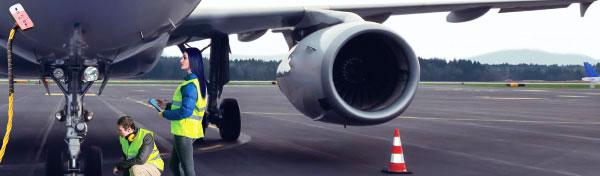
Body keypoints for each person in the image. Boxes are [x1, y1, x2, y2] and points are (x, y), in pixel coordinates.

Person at [157, 47, 207, 176]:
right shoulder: (196, 83)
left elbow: (185, 111)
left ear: (193, 61)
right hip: (188, 130)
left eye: (184, 58)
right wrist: (166, 106)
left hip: (185, 131)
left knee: (188, 169)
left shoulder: (190, 86)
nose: (181, 60)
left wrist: (165, 114)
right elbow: (184, 106)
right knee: (174, 165)